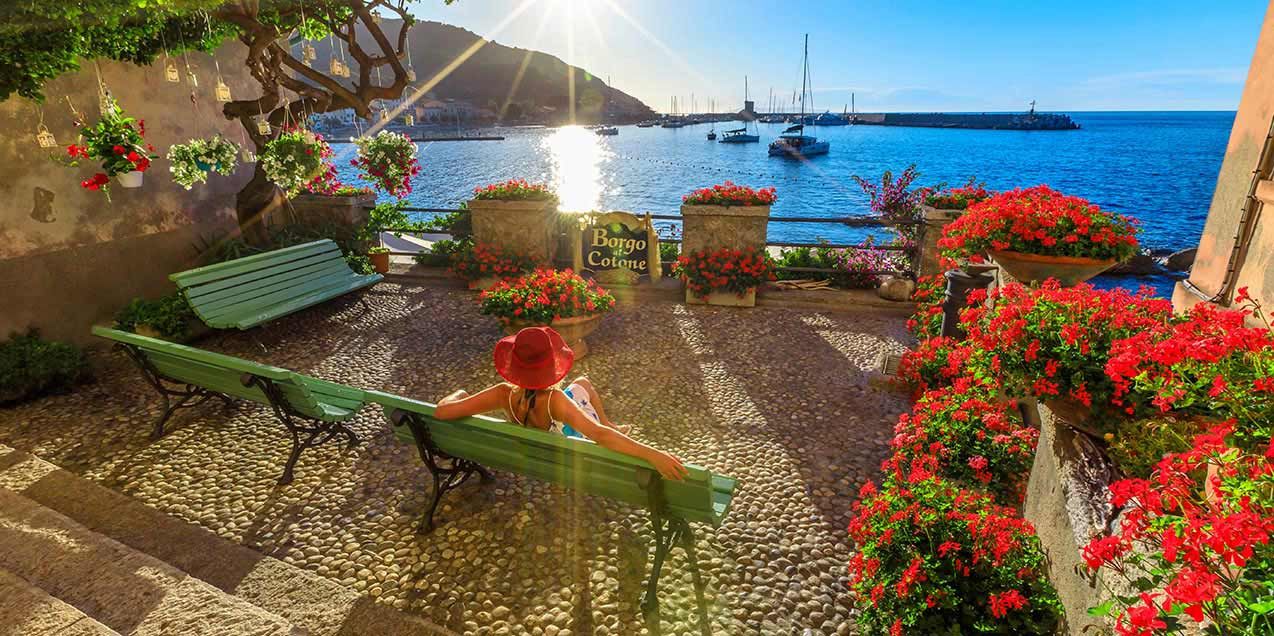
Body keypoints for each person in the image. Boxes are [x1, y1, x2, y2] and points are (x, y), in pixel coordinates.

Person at [434, 326, 688, 481]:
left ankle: (611, 422)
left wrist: (459, 393)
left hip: (531, 449)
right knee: (584, 385)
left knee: (581, 385)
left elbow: (442, 411)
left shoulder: (502, 394)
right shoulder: (555, 400)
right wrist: (653, 454)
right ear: (550, 364)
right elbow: (600, 436)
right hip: (563, 449)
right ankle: (610, 422)